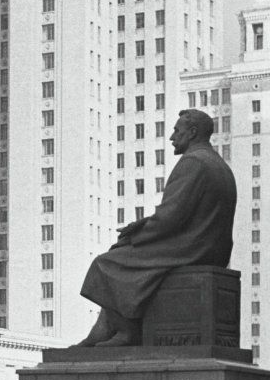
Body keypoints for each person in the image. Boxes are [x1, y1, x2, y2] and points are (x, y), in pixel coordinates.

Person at [78, 109, 237, 347]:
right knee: (120, 252)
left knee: (105, 262)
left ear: (192, 133)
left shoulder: (194, 162)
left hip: (192, 248)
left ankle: (127, 330)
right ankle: (104, 328)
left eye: (176, 131)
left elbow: (170, 218)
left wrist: (137, 235)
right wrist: (141, 227)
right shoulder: (219, 164)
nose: (172, 137)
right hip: (211, 247)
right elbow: (184, 212)